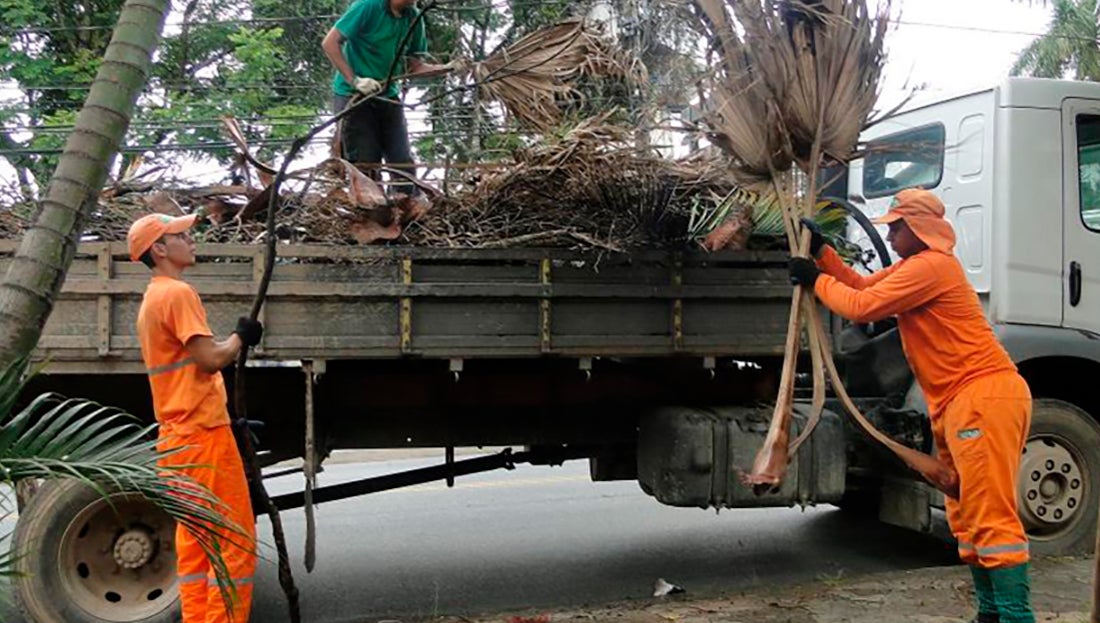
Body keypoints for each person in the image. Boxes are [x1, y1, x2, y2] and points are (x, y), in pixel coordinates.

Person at [789, 189, 1034, 623]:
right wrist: (825, 257)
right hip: (961, 400)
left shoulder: (933, 268)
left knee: (991, 517)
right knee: (967, 514)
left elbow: (861, 308)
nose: (892, 233)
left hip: (983, 397)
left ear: (919, 229)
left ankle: (1015, 617)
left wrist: (815, 280)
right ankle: (991, 614)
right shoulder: (914, 267)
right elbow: (862, 286)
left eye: (897, 226)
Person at [128, 213, 263, 623]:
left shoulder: (153, 298)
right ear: (160, 249)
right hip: (202, 437)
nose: (191, 239)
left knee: (196, 543)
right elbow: (211, 360)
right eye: (181, 235)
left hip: (178, 439)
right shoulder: (177, 294)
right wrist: (243, 336)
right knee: (233, 545)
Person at [321, 0, 458, 197]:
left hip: (387, 96)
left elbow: (415, 67)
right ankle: (372, 213)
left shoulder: (413, 17)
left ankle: (406, 207)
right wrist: (355, 80)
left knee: (401, 159)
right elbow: (330, 42)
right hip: (354, 96)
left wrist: (448, 67)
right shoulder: (368, 6)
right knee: (365, 161)